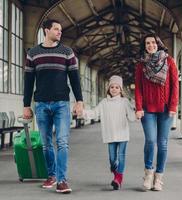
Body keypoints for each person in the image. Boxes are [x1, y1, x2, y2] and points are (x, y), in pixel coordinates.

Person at [23, 19, 83, 194]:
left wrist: (79, 101)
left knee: (62, 142)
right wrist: (26, 105)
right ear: (46, 30)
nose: (59, 32)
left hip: (61, 104)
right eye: (56, 29)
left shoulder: (67, 52)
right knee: (46, 144)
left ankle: (62, 180)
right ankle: (52, 175)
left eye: (61, 30)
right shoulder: (33, 53)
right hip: (41, 104)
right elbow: (28, 81)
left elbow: (74, 79)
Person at [135, 33, 179, 191]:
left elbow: (175, 85)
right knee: (151, 141)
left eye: (153, 42)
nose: (150, 45)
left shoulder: (169, 61)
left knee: (163, 144)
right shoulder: (141, 65)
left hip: (166, 109)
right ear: (144, 46)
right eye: (147, 43)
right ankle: (148, 173)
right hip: (147, 110)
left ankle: (159, 178)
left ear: (158, 44)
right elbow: (138, 88)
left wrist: (173, 106)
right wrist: (139, 107)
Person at [90, 75, 135, 190]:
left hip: (122, 134)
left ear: (121, 89)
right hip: (110, 135)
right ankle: (116, 176)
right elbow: (94, 113)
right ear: (108, 89)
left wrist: (138, 113)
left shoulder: (124, 102)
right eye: (112, 87)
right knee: (112, 159)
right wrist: (82, 113)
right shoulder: (104, 102)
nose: (114, 89)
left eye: (117, 87)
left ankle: (118, 179)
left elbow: (131, 117)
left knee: (121, 157)